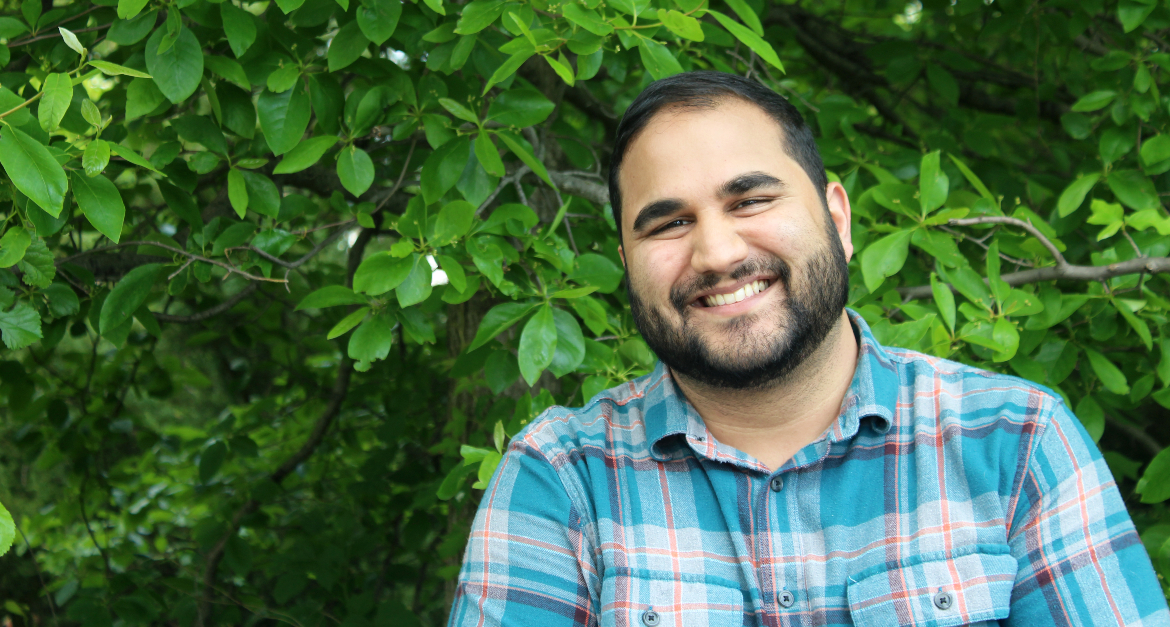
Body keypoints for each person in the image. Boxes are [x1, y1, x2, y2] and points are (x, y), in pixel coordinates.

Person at [447, 71, 1169, 626]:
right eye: (666, 223)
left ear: (837, 217)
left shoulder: (1017, 443)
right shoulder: (561, 482)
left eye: (751, 200)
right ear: (627, 260)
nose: (717, 250)